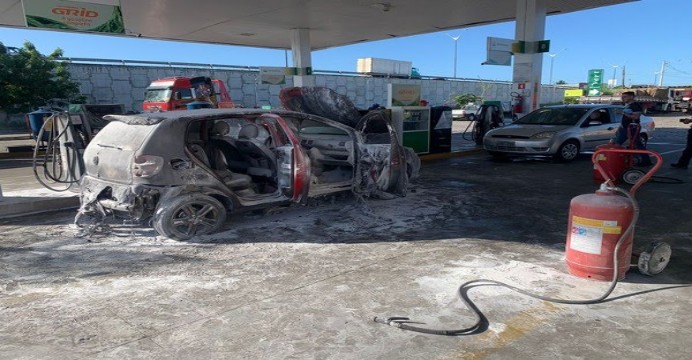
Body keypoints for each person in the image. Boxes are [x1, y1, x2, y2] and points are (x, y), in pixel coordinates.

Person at [610, 91, 652, 166]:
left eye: (625, 97)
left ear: (631, 97)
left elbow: (636, 117)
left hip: (632, 128)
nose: (622, 98)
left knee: (637, 144)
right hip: (625, 128)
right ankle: (616, 159)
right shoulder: (628, 105)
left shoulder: (635, 105)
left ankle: (646, 161)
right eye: (622, 97)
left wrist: (623, 113)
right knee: (618, 143)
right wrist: (620, 126)